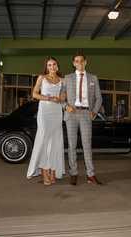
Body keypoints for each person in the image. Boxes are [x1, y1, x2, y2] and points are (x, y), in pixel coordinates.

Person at [62, 53, 103, 185]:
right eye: (76, 61)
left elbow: (99, 98)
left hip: (86, 114)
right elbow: (60, 96)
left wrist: (94, 112)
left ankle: (90, 175)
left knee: (87, 145)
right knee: (72, 145)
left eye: (81, 61)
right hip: (71, 114)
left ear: (86, 62)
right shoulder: (67, 78)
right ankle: (73, 173)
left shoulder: (93, 78)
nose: (79, 63)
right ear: (73, 63)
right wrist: (65, 106)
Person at [26, 57, 65, 186]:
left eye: (54, 64)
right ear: (47, 67)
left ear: (57, 66)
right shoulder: (41, 78)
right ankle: (44, 170)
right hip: (45, 112)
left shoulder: (62, 80)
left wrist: (60, 98)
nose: (52, 67)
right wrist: (48, 98)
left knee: (55, 141)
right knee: (44, 140)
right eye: (49, 65)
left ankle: (53, 169)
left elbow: (64, 97)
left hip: (57, 112)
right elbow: (34, 94)